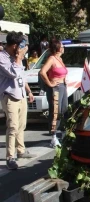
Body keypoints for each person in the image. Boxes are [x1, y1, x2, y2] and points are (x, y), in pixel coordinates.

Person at [0, 31, 36, 170]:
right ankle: (10, 157)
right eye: (20, 45)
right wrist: (19, 58)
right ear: (14, 45)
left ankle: (21, 150)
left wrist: (28, 91)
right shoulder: (2, 58)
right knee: (13, 126)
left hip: (21, 94)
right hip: (10, 96)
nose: (22, 48)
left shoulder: (16, 57)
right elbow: (13, 73)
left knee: (22, 125)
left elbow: (21, 75)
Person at [39, 39, 68, 148]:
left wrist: (65, 81)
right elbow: (42, 72)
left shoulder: (59, 58)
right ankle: (53, 137)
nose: (63, 47)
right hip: (55, 88)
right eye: (62, 46)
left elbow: (63, 73)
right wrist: (50, 84)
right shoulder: (51, 59)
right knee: (55, 112)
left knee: (64, 110)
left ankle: (63, 134)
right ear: (58, 48)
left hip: (63, 87)